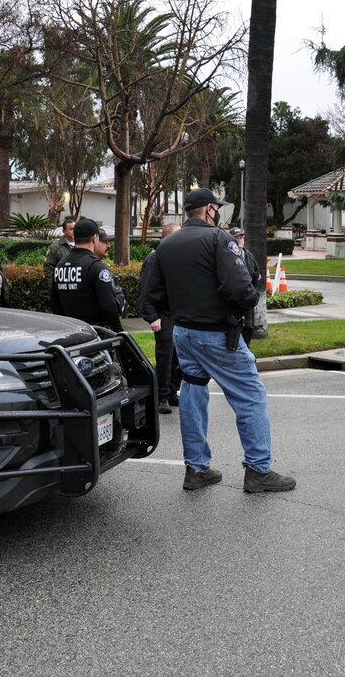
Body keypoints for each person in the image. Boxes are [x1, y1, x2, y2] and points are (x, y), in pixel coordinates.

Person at [142, 187, 295, 493]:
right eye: (217, 208)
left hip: (183, 332)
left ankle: (196, 469)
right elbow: (239, 288)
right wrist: (248, 301)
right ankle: (258, 470)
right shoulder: (218, 238)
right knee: (251, 395)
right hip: (216, 333)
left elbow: (153, 295)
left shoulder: (167, 245)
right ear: (210, 209)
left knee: (193, 393)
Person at [138, 223, 183, 414]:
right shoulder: (154, 258)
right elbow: (145, 291)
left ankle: (172, 391)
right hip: (163, 314)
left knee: (179, 357)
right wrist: (152, 316)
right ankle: (161, 396)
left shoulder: (178, 257)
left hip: (178, 313)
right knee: (165, 357)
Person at [50, 218, 122, 332]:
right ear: (95, 238)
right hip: (95, 334)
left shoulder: (60, 266)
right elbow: (109, 306)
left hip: (71, 332)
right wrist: (119, 332)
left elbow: (55, 303)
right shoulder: (96, 267)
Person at [229, 227, 262, 344]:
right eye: (236, 238)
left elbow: (256, 274)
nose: (239, 240)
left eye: (241, 237)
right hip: (233, 308)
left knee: (247, 335)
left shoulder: (249, 256)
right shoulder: (227, 256)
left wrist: (253, 293)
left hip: (248, 307)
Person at [43, 217, 75, 288]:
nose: (74, 231)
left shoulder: (82, 244)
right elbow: (49, 268)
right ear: (64, 231)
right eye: (71, 229)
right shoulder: (55, 247)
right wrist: (53, 288)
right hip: (62, 288)